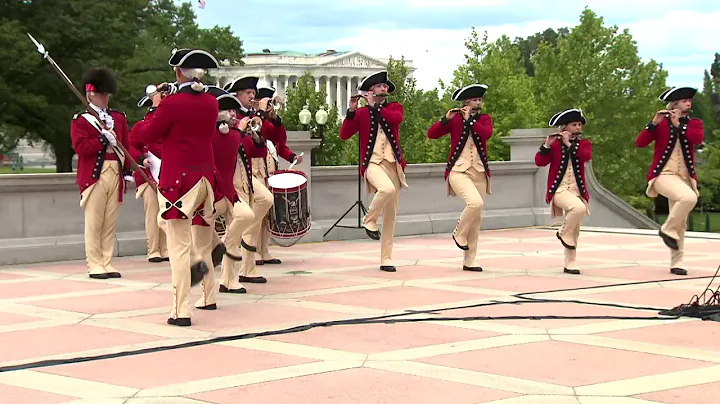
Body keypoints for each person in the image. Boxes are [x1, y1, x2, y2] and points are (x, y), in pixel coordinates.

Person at [135, 48, 223, 327]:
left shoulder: (171, 104)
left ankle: (181, 310)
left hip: (178, 182)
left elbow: (147, 134)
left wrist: (156, 105)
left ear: (177, 72)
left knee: (179, 246)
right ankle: (208, 291)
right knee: (200, 241)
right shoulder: (211, 102)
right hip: (205, 180)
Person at [340, 70, 408, 272]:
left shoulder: (394, 107)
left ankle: (386, 258)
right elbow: (344, 134)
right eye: (380, 86)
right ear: (370, 90)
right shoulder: (362, 113)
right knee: (385, 189)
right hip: (372, 163)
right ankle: (368, 220)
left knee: (391, 214)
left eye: (386, 86)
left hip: (393, 164)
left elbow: (396, 119)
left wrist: (375, 107)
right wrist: (351, 112)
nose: (384, 88)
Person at [70, 67, 132, 280]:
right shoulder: (81, 119)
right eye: (101, 94)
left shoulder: (119, 118)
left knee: (110, 221)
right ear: (90, 94)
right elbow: (81, 147)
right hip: (95, 175)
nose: (105, 98)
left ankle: (106, 260)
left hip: (115, 171)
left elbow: (127, 146)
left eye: (107, 94)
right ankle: (94, 263)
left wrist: (127, 172)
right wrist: (102, 140)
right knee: (94, 221)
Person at [636, 86, 704, 276]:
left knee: (680, 223)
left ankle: (677, 262)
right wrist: (653, 123)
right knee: (688, 199)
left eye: (689, 100)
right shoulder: (662, 123)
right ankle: (666, 229)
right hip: (663, 175)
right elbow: (640, 143)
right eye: (684, 101)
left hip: (684, 177)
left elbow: (697, 139)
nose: (688, 103)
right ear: (674, 104)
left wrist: (679, 125)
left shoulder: (694, 123)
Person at [427, 84, 492, 272]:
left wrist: (470, 121)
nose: (478, 103)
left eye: (479, 100)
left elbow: (486, 134)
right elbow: (432, 134)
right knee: (474, 203)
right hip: (458, 170)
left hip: (479, 172)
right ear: (465, 102)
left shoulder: (485, 119)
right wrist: (445, 120)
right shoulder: (455, 119)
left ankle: (470, 260)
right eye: (474, 100)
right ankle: (458, 233)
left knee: (477, 217)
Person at [205, 85, 260, 294]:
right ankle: (217, 251)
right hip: (211, 193)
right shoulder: (211, 134)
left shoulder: (233, 134)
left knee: (245, 217)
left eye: (231, 109)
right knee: (200, 231)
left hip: (229, 192)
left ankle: (229, 279)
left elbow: (256, 149)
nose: (231, 113)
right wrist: (237, 129)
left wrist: (250, 130)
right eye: (227, 109)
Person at [221, 76, 272, 283]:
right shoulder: (228, 120)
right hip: (232, 176)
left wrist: (259, 132)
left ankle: (247, 268)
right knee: (243, 217)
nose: (253, 97)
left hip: (247, 174)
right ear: (237, 95)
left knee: (265, 200)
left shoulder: (248, 117)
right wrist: (241, 127)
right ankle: (231, 274)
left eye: (253, 93)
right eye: (248, 93)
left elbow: (256, 151)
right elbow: (229, 148)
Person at [535, 108, 592, 275]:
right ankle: (562, 232)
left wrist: (569, 144)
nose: (578, 127)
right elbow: (539, 162)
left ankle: (570, 262)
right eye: (574, 124)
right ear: (565, 127)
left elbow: (585, 156)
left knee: (575, 228)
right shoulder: (555, 145)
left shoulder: (583, 144)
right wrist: (546, 145)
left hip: (577, 190)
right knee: (578, 209)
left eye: (579, 124)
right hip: (559, 190)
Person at [128, 93, 168, 263]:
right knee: (153, 213)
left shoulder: (167, 127)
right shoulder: (139, 127)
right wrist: (140, 159)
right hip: (147, 176)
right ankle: (154, 249)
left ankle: (166, 248)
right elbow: (130, 147)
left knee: (167, 212)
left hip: (166, 175)